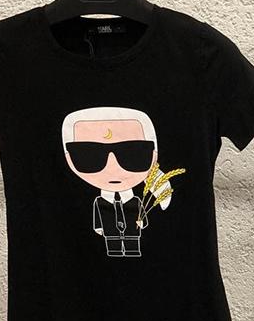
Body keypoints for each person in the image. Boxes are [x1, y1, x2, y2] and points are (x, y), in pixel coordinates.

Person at [61, 106, 172, 257]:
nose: (112, 165)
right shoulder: (100, 202)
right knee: (112, 244)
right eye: (88, 155)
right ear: (68, 158)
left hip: (138, 239)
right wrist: (99, 227)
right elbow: (98, 216)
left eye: (132, 153)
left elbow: (141, 213)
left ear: (154, 155)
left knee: (133, 245)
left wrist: (142, 222)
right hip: (105, 238)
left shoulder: (136, 201)